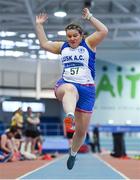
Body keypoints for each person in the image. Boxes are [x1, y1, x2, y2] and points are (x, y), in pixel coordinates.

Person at [36, 8, 108, 170]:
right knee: (70, 89)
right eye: (69, 36)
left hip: (87, 90)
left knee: (82, 132)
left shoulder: (89, 43)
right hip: (66, 84)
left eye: (75, 36)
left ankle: (73, 153)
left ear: (81, 35)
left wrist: (90, 17)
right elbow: (44, 44)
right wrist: (39, 25)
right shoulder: (62, 47)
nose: (72, 39)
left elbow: (103, 30)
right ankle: (69, 115)